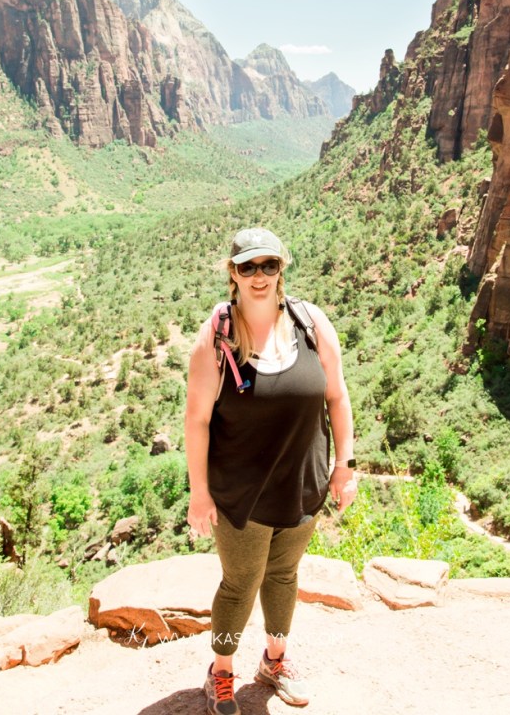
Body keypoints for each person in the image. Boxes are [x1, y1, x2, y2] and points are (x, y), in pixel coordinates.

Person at [185, 227, 357, 714]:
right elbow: (197, 420)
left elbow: (337, 396)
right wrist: (200, 493)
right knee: (240, 583)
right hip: (242, 493)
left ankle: (274, 662)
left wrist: (344, 466)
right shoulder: (216, 336)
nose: (258, 276)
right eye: (248, 267)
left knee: (283, 576)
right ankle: (221, 671)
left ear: (282, 269)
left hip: (302, 485)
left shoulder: (311, 322)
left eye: (268, 265)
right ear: (233, 273)